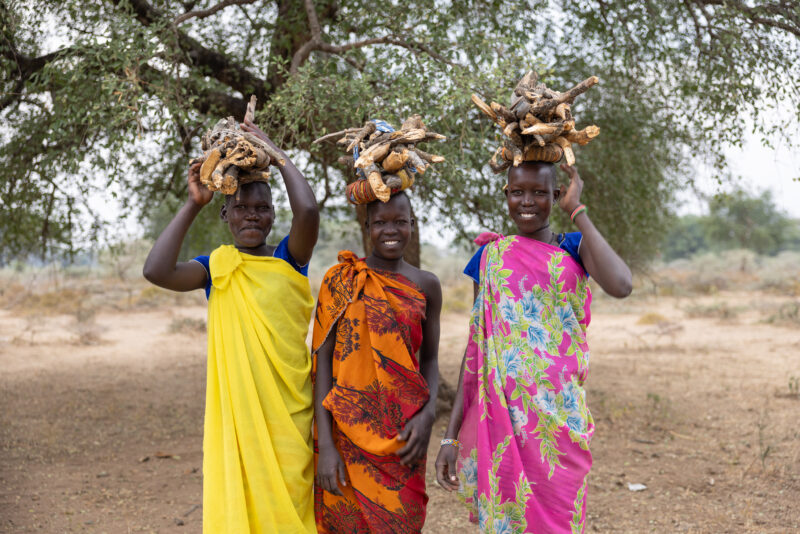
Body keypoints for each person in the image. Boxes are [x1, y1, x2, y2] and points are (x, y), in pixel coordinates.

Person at [142, 118, 319, 533]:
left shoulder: (289, 260)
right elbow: (156, 270)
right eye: (241, 208)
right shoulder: (215, 269)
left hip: (289, 419)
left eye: (261, 209)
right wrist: (193, 203)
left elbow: (308, 209)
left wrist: (272, 150)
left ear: (275, 215)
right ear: (226, 214)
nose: (252, 217)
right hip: (241, 423)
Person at [435, 162, 632, 533]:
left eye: (540, 193)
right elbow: (476, 348)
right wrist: (450, 434)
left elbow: (621, 284)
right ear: (506, 195)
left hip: (559, 420)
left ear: (555, 196)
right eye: (517, 192)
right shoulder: (490, 257)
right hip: (501, 421)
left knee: (560, 518)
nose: (527, 202)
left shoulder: (574, 248)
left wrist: (577, 212)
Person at [312, 191, 442, 533]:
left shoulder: (426, 284)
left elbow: (429, 360)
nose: (391, 230)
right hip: (345, 435)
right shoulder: (339, 281)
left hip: (404, 436)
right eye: (380, 222)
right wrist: (326, 445)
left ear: (412, 225)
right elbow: (322, 364)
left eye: (400, 222)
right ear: (366, 226)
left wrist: (428, 416)